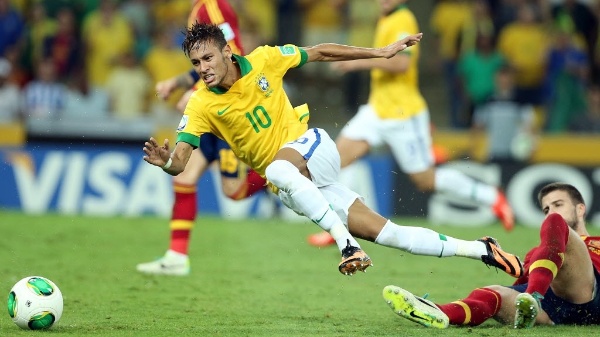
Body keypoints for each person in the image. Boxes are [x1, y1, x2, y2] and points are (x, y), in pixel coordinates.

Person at [141, 22, 524, 279]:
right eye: (195, 63)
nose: (203, 68)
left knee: (275, 170)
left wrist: (381, 52)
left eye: (208, 58)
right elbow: (181, 164)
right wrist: (165, 164)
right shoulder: (200, 104)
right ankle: (482, 250)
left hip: (313, 148)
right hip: (296, 187)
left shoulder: (264, 60)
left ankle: (346, 247)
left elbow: (319, 52)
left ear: (227, 51)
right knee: (392, 235)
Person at [307, 0, 514, 248]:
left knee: (425, 179)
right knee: (333, 162)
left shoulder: (403, 20)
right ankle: (339, 227)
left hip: (403, 114)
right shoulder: (385, 18)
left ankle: (491, 196)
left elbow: (401, 63)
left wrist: (358, 62)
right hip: (376, 109)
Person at [136, 0, 267, 276]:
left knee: (233, 192)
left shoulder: (213, 6)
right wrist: (180, 83)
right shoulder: (202, 7)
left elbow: (231, 57)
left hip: (226, 110)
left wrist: (194, 91)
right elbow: (207, 58)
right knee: (184, 178)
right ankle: (177, 257)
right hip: (209, 112)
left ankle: (276, 172)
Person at [382, 182, 600, 329]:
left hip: (587, 298)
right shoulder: (538, 253)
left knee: (555, 225)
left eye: (558, 205)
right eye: (546, 209)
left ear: (580, 209)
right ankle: (439, 313)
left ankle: (534, 297)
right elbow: (519, 284)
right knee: (492, 292)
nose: (551, 211)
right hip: (549, 311)